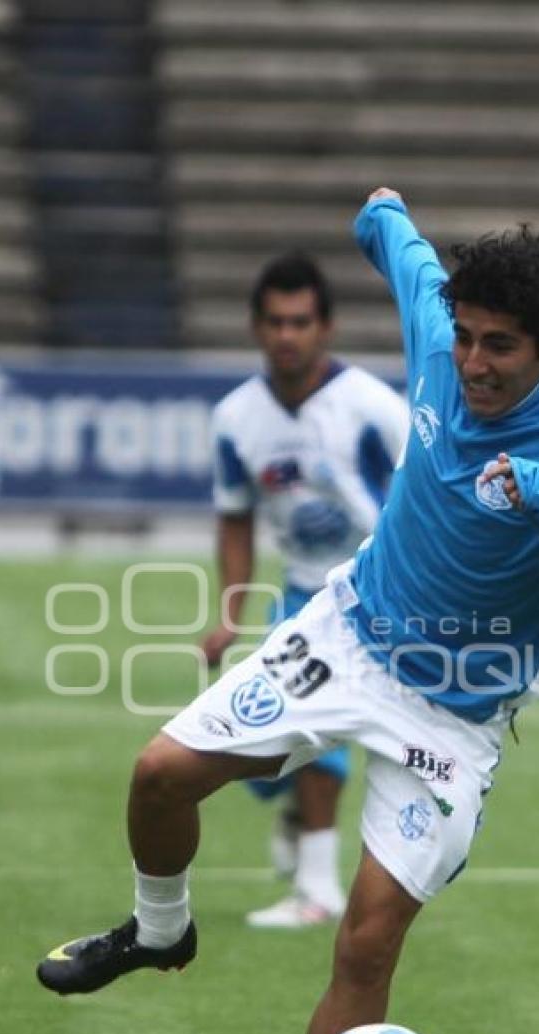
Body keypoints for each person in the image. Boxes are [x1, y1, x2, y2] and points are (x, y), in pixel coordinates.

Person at [36, 189, 539, 1034]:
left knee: (366, 939)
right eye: (466, 339)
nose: (473, 363)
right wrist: (378, 207)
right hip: (345, 639)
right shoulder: (441, 331)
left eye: (502, 348)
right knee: (160, 774)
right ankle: (162, 931)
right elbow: (399, 245)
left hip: (451, 723)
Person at [200, 252, 408, 928]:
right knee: (262, 748)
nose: (287, 335)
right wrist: (229, 612)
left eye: (301, 321)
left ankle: (318, 888)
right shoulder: (236, 419)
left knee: (332, 730)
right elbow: (235, 516)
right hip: (297, 598)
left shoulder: (374, 408)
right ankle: (295, 816)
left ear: (326, 327)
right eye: (275, 322)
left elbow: (421, 493)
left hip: (378, 596)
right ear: (256, 328)